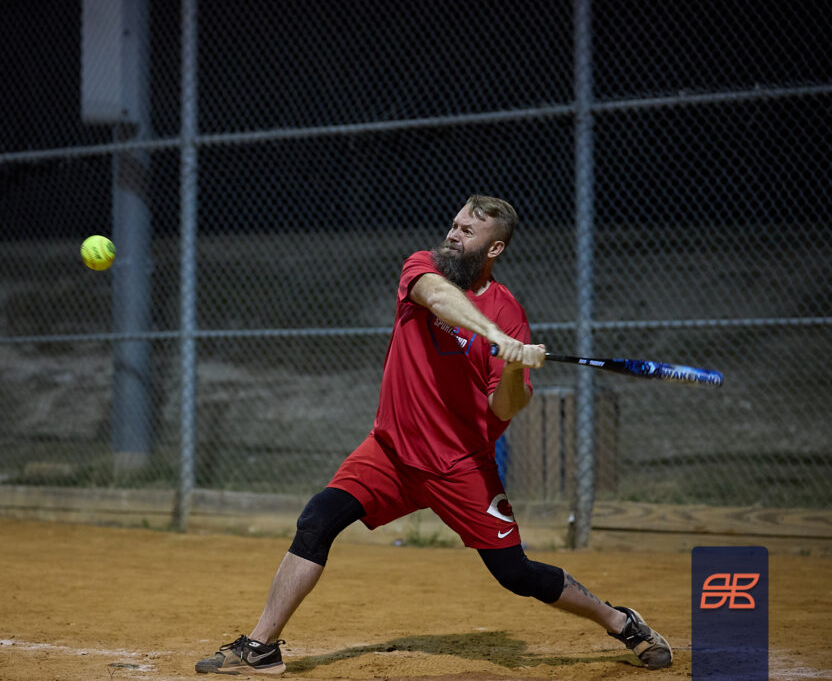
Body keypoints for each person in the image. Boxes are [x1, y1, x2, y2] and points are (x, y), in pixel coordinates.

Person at [194, 195, 672, 675]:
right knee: (317, 520)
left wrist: (511, 365)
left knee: (515, 573)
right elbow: (438, 297)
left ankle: (622, 622)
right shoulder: (423, 267)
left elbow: (507, 406)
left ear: (495, 248)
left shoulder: (509, 314)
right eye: (455, 224)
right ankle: (261, 647)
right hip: (391, 450)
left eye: (467, 231)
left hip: (460, 465)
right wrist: (494, 336)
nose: (453, 235)